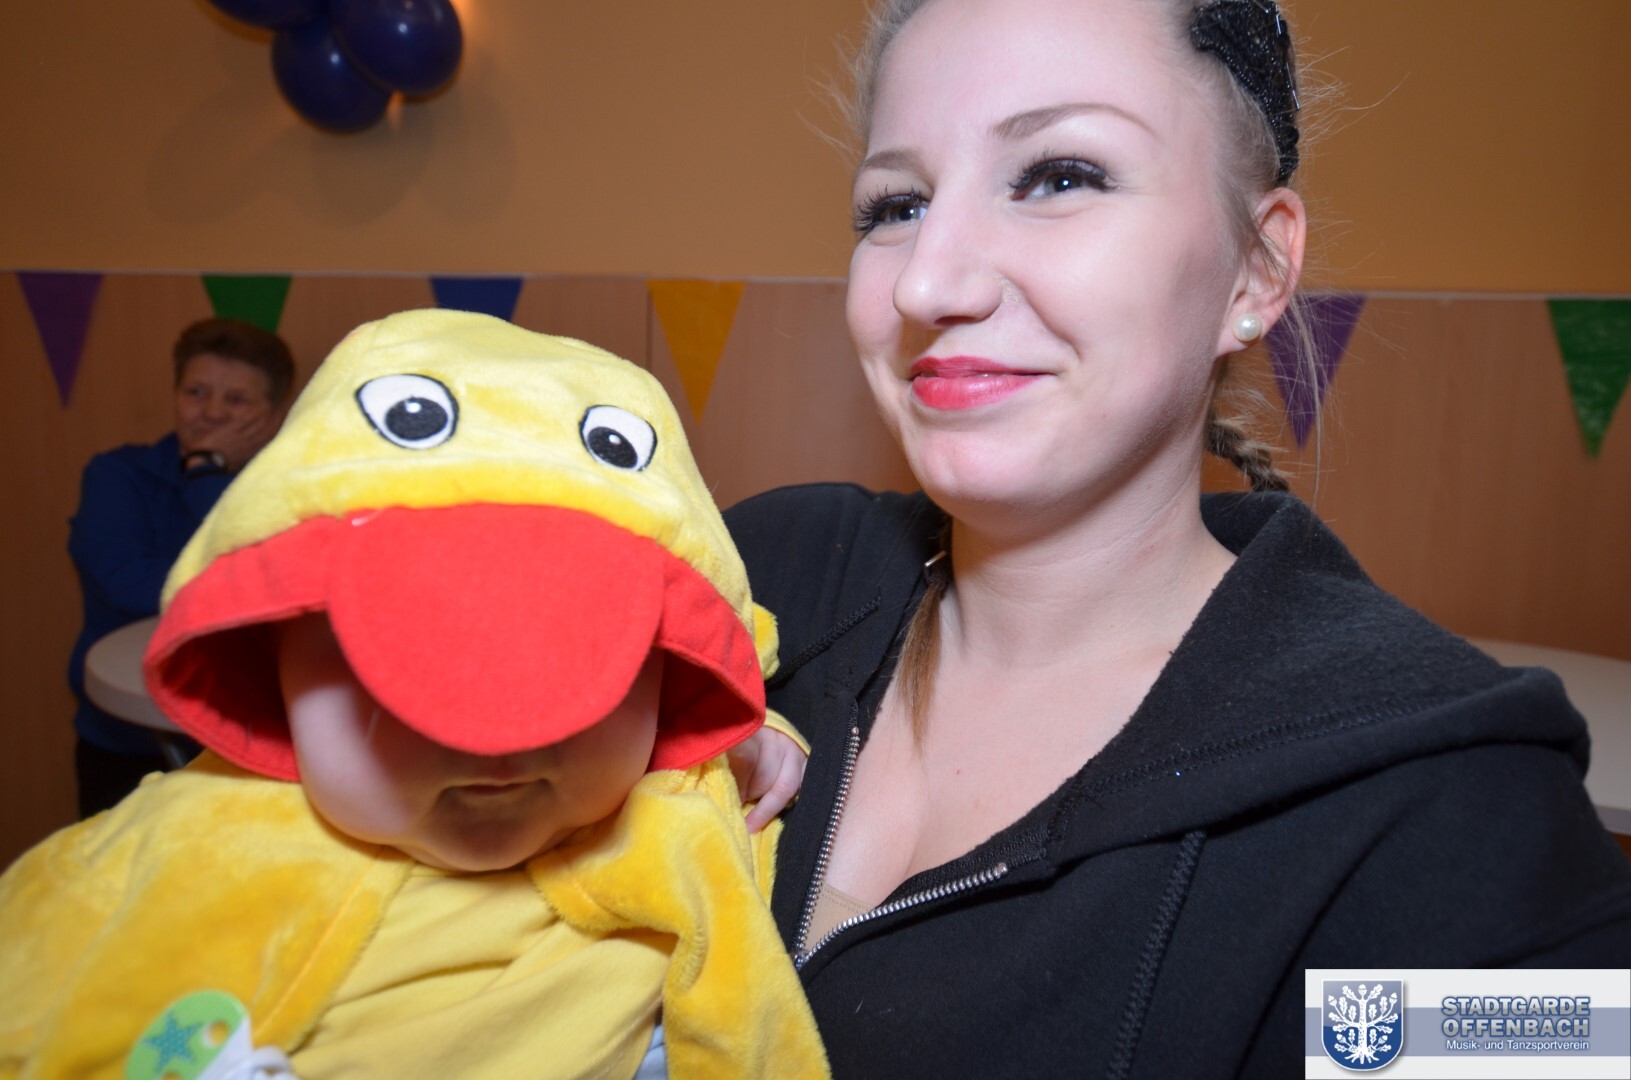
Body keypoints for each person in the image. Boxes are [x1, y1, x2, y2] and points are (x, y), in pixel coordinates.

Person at [722, 1, 1631, 1076]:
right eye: (896, 205)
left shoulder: (1442, 801)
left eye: (1059, 176)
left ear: (1255, 268)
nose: (925, 281)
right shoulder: (751, 579)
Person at [2, 311, 823, 1079]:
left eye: (566, 662)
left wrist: (735, 744)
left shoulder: (674, 819)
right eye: (400, 666)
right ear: (271, 655)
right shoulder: (172, 853)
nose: (492, 738)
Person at [67, 317, 295, 817]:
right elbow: (127, 585)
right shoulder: (117, 474)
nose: (211, 412)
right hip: (128, 739)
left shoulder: (290, 494)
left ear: (276, 416)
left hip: (249, 740)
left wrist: (206, 472)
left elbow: (270, 585)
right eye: (196, 392)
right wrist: (206, 469)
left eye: (237, 400)